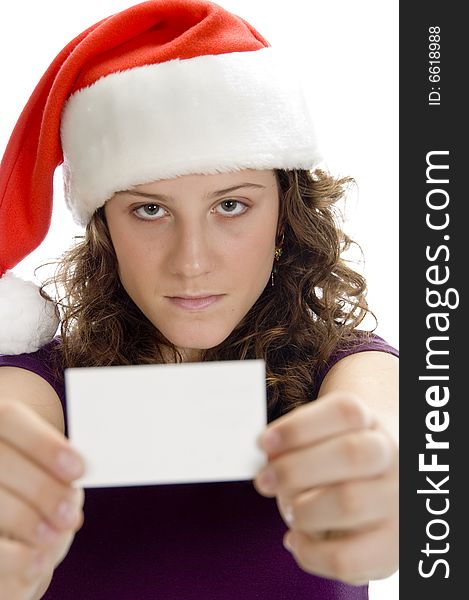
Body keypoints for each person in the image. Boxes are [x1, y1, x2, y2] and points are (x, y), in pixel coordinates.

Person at [0, 1, 399, 598]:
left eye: (231, 205)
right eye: (150, 210)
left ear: (284, 219)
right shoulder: (40, 381)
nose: (191, 261)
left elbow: (382, 419)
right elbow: (14, 419)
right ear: (105, 227)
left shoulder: (345, 369)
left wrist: (391, 476)